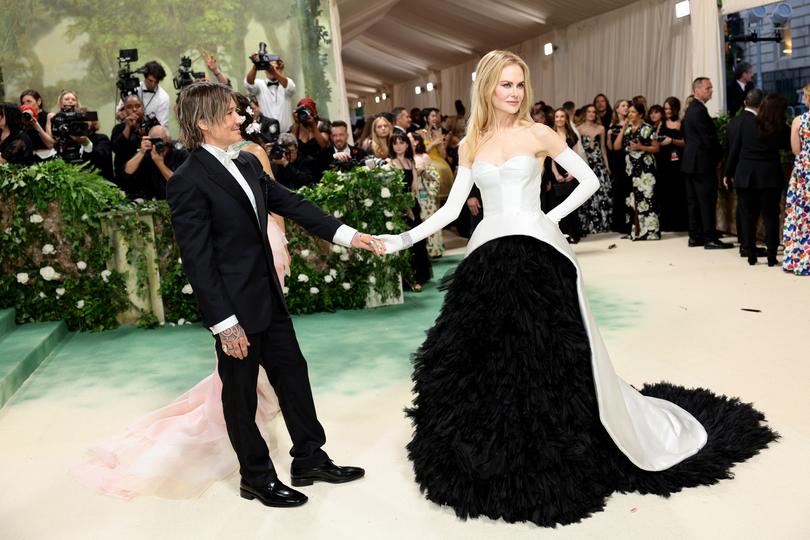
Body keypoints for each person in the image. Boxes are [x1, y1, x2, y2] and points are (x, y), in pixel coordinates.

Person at [375, 49, 776, 528]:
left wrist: (547, 219)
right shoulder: (470, 142)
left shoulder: (540, 133)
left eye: (520, 84)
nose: (514, 93)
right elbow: (449, 209)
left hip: (537, 252)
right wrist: (398, 240)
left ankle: (553, 452)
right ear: (486, 88)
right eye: (505, 84)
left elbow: (586, 182)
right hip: (485, 256)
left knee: (547, 356)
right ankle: (490, 452)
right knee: (483, 358)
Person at [164, 81, 383, 508]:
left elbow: (294, 204)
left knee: (293, 377)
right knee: (241, 395)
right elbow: (198, 260)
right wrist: (224, 323)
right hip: (235, 312)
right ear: (204, 123)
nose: (239, 117)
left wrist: (350, 235)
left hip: (269, 297)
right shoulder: (187, 181)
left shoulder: (246, 163)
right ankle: (256, 476)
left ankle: (309, 458)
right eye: (229, 112)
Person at [724, 91, 790, 267]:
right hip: (770, 176)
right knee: (771, 216)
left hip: (746, 175)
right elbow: (789, 146)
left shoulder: (744, 123)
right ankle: (771, 257)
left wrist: (727, 173)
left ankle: (751, 255)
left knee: (748, 216)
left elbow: (734, 150)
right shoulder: (779, 126)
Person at [681, 77, 733, 249]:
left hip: (691, 162)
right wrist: (719, 158)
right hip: (701, 163)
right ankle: (710, 238)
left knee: (694, 201)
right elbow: (708, 139)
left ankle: (695, 236)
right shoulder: (698, 110)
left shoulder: (692, 109)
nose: (711, 90)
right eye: (708, 88)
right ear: (697, 90)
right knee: (706, 200)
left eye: (711, 88)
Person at [388, 132, 432, 290]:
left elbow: (414, 186)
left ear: (407, 145)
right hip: (399, 206)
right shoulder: (390, 162)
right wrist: (406, 208)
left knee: (417, 241)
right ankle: (409, 279)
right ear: (391, 146)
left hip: (412, 203)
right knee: (405, 242)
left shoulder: (410, 161)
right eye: (395, 143)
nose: (398, 146)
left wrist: (415, 205)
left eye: (401, 142)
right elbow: (394, 188)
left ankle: (419, 276)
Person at [614, 102, 661, 240]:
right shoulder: (628, 129)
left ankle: (650, 231)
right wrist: (623, 129)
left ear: (640, 114)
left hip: (645, 169)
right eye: (629, 112)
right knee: (632, 200)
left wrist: (642, 147)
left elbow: (656, 148)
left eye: (633, 112)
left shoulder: (648, 128)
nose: (630, 114)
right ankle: (635, 231)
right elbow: (616, 147)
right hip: (631, 170)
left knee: (647, 198)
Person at [783, 83, 810, 276]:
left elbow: (795, 149)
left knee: (802, 216)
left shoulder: (799, 121)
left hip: (804, 170)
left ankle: (800, 259)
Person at [122, 125, 188, 199]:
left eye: (161, 140)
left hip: (176, 200)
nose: (158, 144)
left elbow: (180, 183)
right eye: (155, 141)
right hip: (151, 201)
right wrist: (141, 152)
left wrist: (160, 163)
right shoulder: (147, 151)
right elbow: (127, 171)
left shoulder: (179, 152)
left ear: (169, 139)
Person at [575, 104, 612, 233]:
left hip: (598, 164)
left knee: (602, 193)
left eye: (594, 112)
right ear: (585, 113)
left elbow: (603, 149)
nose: (591, 114)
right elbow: (578, 150)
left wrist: (607, 166)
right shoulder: (578, 129)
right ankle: (588, 225)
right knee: (588, 193)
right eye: (589, 112)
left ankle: (602, 223)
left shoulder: (601, 128)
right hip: (586, 164)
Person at [550, 108, 585, 243]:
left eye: (562, 116)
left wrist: (573, 172)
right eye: (557, 116)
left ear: (566, 119)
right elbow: (550, 157)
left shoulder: (572, 135)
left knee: (572, 204)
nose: (559, 119)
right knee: (558, 204)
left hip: (571, 172)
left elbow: (576, 155)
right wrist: (556, 174)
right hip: (555, 173)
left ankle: (573, 234)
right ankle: (561, 236)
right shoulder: (551, 135)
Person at [656, 97, 688, 231]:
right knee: (665, 191)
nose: (667, 111)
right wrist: (660, 140)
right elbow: (655, 139)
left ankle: (680, 223)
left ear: (676, 108)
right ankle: (666, 223)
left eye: (670, 108)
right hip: (663, 161)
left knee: (678, 191)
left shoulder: (682, 122)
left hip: (678, 161)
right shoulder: (661, 123)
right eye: (665, 108)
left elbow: (686, 142)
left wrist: (672, 140)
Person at [410, 132, 444, 256]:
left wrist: (423, 172)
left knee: (429, 220)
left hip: (425, 193)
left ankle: (433, 249)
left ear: (416, 142)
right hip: (412, 194)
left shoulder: (424, 156)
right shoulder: (407, 158)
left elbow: (434, 175)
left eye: (410, 139)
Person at [244, 52, 295, 133]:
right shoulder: (260, 84)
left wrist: (274, 71)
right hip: (266, 134)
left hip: (287, 134)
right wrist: (256, 65)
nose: (271, 70)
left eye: (276, 68)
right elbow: (248, 84)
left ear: (281, 68)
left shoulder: (288, 82)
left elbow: (290, 87)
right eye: (269, 68)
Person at [115, 61, 171, 127]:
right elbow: (118, 114)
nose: (153, 84)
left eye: (156, 82)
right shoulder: (132, 88)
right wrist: (120, 115)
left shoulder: (164, 97)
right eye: (150, 80)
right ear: (145, 77)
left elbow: (162, 125)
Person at [290, 97, 330, 185]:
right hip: (301, 169)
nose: (305, 114)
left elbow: (324, 144)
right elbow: (291, 144)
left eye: (308, 111)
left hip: (320, 167)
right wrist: (296, 123)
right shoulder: (296, 126)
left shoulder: (322, 124)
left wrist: (313, 126)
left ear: (314, 112)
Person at [419, 108, 454, 203]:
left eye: (436, 116)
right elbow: (420, 152)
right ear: (426, 118)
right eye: (432, 116)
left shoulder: (436, 133)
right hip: (426, 161)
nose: (435, 118)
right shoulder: (419, 133)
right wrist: (433, 143)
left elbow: (443, 156)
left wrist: (442, 144)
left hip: (439, 161)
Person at [607, 99, 631, 233]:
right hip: (618, 160)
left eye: (627, 105)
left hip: (630, 158)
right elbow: (610, 148)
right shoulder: (612, 125)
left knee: (629, 190)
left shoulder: (632, 122)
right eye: (623, 106)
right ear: (617, 109)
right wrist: (609, 137)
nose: (626, 108)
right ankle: (619, 224)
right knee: (619, 191)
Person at [19, 89, 54, 160]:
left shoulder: (48, 116)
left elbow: (50, 144)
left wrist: (35, 124)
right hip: (28, 158)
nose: (25, 105)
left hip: (47, 157)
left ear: (39, 101)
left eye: (29, 101)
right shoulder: (22, 118)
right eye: (23, 103)